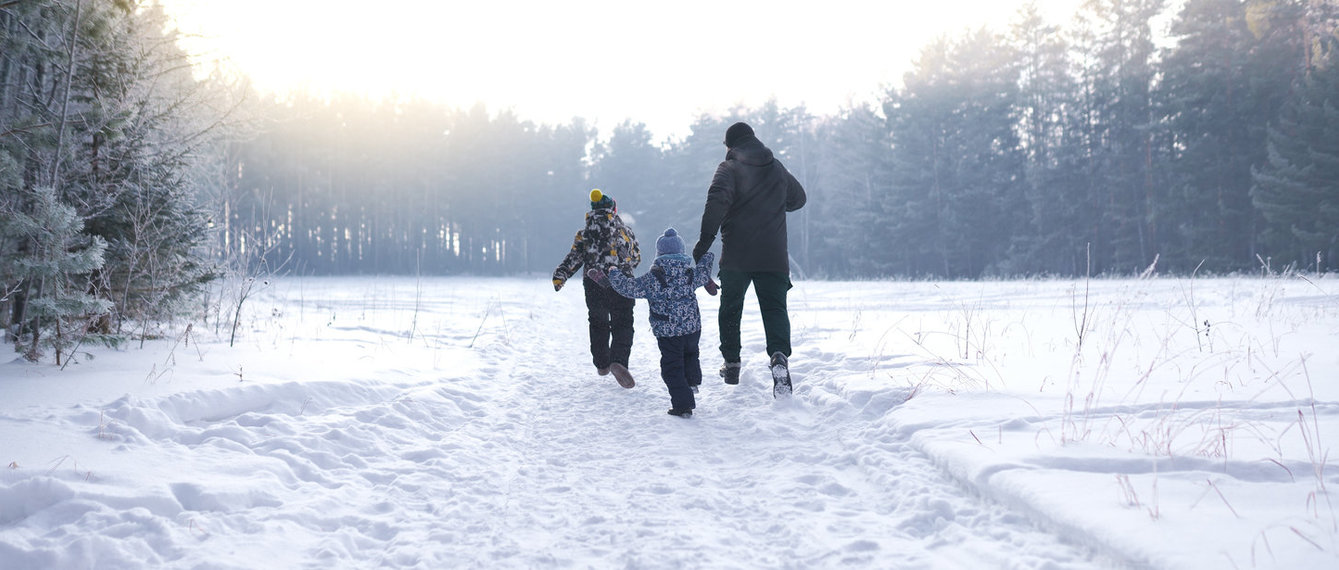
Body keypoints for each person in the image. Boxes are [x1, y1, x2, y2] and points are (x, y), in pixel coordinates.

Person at [691, 122, 807, 397]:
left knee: (731, 307)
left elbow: (715, 204)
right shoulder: (775, 167)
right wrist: (776, 203)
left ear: (731, 146)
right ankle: (779, 357)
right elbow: (799, 198)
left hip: (737, 256)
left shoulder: (728, 169)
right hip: (773, 255)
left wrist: (703, 244)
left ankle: (731, 363)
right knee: (775, 309)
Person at [589, 228, 714, 418]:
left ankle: (683, 405)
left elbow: (628, 288)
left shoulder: (653, 279)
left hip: (667, 332)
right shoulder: (689, 274)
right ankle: (693, 381)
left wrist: (614, 273)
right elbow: (704, 273)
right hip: (692, 329)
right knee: (690, 354)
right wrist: (707, 257)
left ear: (659, 254)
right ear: (682, 252)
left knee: (672, 367)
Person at [553, 189, 641, 388]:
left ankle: (602, 363)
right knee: (623, 323)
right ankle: (619, 361)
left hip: (593, 283)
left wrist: (561, 275)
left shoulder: (584, 234)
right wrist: (622, 266)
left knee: (598, 322)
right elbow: (635, 257)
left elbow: (574, 258)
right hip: (621, 283)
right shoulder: (624, 232)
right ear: (613, 209)